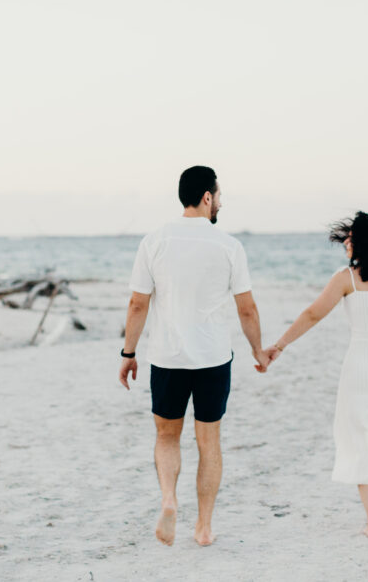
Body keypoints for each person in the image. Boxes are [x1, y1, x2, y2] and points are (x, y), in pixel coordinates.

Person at [118, 165, 269, 547]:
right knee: (209, 442)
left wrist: (129, 352)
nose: (220, 202)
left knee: (167, 437)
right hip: (214, 359)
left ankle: (169, 499)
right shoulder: (229, 246)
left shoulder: (154, 241)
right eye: (218, 195)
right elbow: (247, 309)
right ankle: (203, 527)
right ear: (207, 197)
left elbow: (138, 304)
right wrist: (257, 350)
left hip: (168, 358)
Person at [263, 211, 368, 538]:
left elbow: (313, 313)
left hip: (362, 368)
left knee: (362, 440)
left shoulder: (347, 278)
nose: (346, 242)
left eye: (350, 237)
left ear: (361, 243)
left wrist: (280, 345)